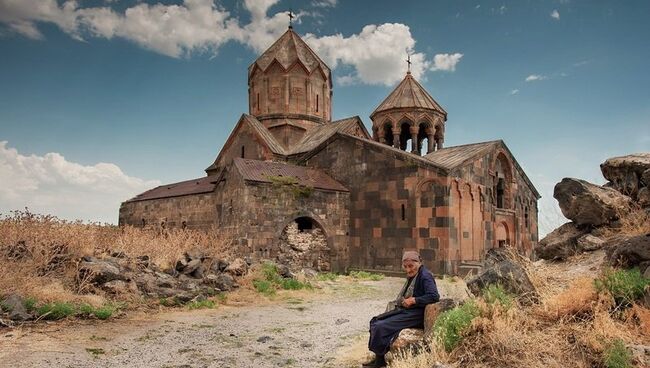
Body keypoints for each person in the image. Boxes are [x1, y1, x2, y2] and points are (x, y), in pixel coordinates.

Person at [363, 250, 440, 368]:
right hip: (408, 311)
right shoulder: (415, 275)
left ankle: (380, 362)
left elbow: (434, 296)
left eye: (411, 266)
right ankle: (378, 357)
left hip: (416, 314)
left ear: (419, 263)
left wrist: (414, 300)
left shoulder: (425, 276)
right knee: (375, 321)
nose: (408, 270)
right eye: (405, 267)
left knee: (381, 326)